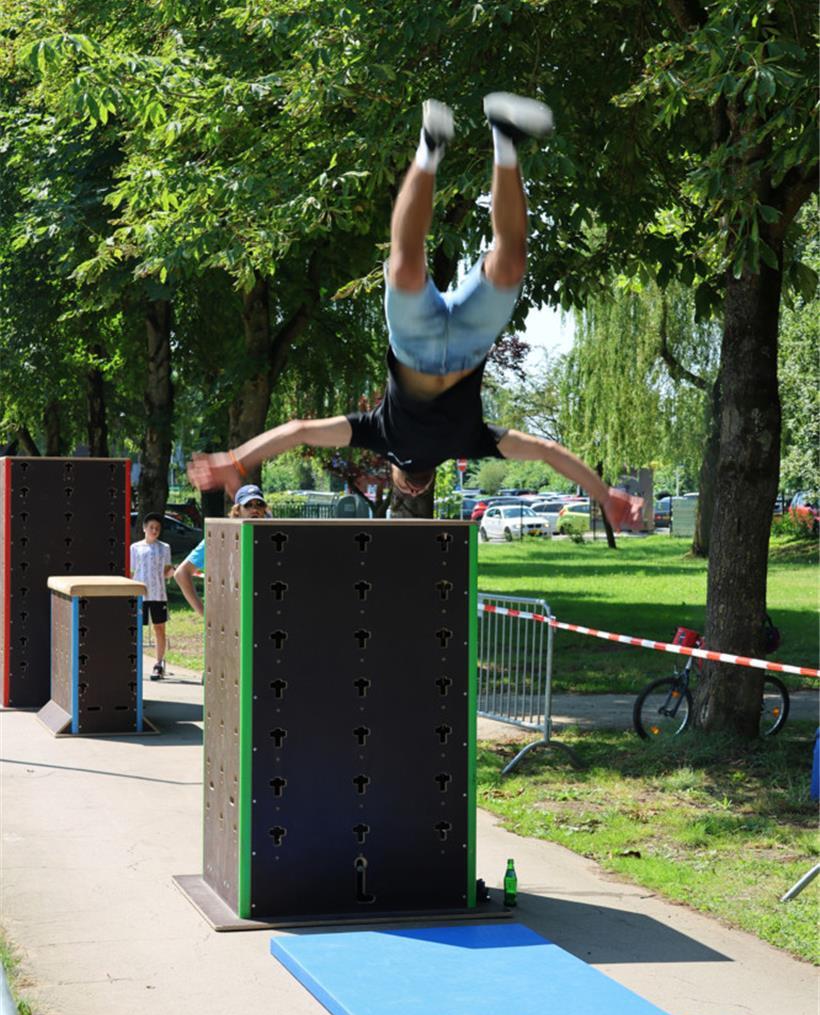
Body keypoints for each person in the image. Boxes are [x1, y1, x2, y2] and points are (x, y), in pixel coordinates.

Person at [187, 94, 643, 532]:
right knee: (510, 259)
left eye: (405, 486)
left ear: (393, 475)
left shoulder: (379, 433)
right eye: (416, 486)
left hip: (415, 342)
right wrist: (602, 493)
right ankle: (503, 136)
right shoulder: (473, 442)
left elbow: (300, 429)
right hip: (470, 341)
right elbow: (546, 451)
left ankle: (431, 147)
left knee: (406, 262)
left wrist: (239, 457)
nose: (413, 485)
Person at [174, 484, 271, 616]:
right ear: (237, 511)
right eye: (248, 505)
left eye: (259, 504)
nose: (254, 509)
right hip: (229, 617)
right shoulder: (219, 536)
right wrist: (205, 614)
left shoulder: (274, 538)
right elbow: (181, 573)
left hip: (264, 615)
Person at [130, 512, 174, 680]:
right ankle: (134, 663)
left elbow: (166, 571)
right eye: (151, 528)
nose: (154, 531)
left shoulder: (165, 548)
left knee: (159, 628)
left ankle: (159, 663)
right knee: (136, 628)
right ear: (144, 528)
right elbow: (132, 571)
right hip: (140, 595)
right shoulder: (135, 548)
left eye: (157, 528)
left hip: (158, 594)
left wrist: (172, 573)